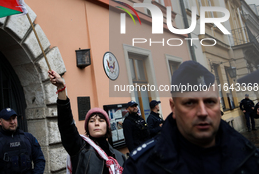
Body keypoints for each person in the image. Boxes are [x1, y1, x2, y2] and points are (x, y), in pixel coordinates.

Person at [123, 60, 259, 174]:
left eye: (210, 102)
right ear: (173, 107)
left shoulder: (249, 155)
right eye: (189, 103)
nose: (203, 112)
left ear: (219, 103)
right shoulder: (141, 167)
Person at [48, 70, 125, 174]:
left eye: (101, 120)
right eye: (92, 121)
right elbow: (66, 125)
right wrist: (61, 89)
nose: (96, 123)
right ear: (87, 127)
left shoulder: (119, 157)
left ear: (107, 126)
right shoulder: (79, 148)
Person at [0, 108, 45, 174]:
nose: (12, 122)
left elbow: (39, 159)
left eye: (14, 118)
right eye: (8, 119)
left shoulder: (28, 138)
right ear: (0, 122)